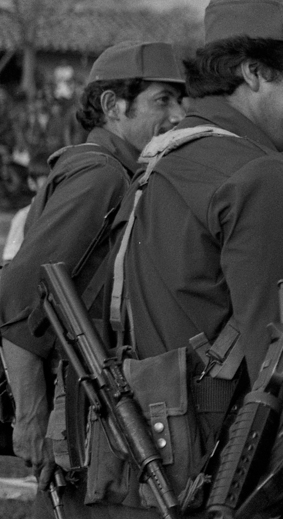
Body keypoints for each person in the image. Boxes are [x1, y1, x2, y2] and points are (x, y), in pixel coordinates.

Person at [80, 0, 283, 513]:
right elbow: (280, 359)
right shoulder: (257, 174)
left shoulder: (163, 153)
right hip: (220, 469)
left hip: (146, 456)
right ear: (253, 73)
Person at [0, 41, 186, 516]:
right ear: (112, 105)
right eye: (162, 100)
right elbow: (21, 293)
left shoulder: (119, 169)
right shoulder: (102, 174)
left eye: (180, 100)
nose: (177, 115)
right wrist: (31, 415)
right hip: (70, 410)